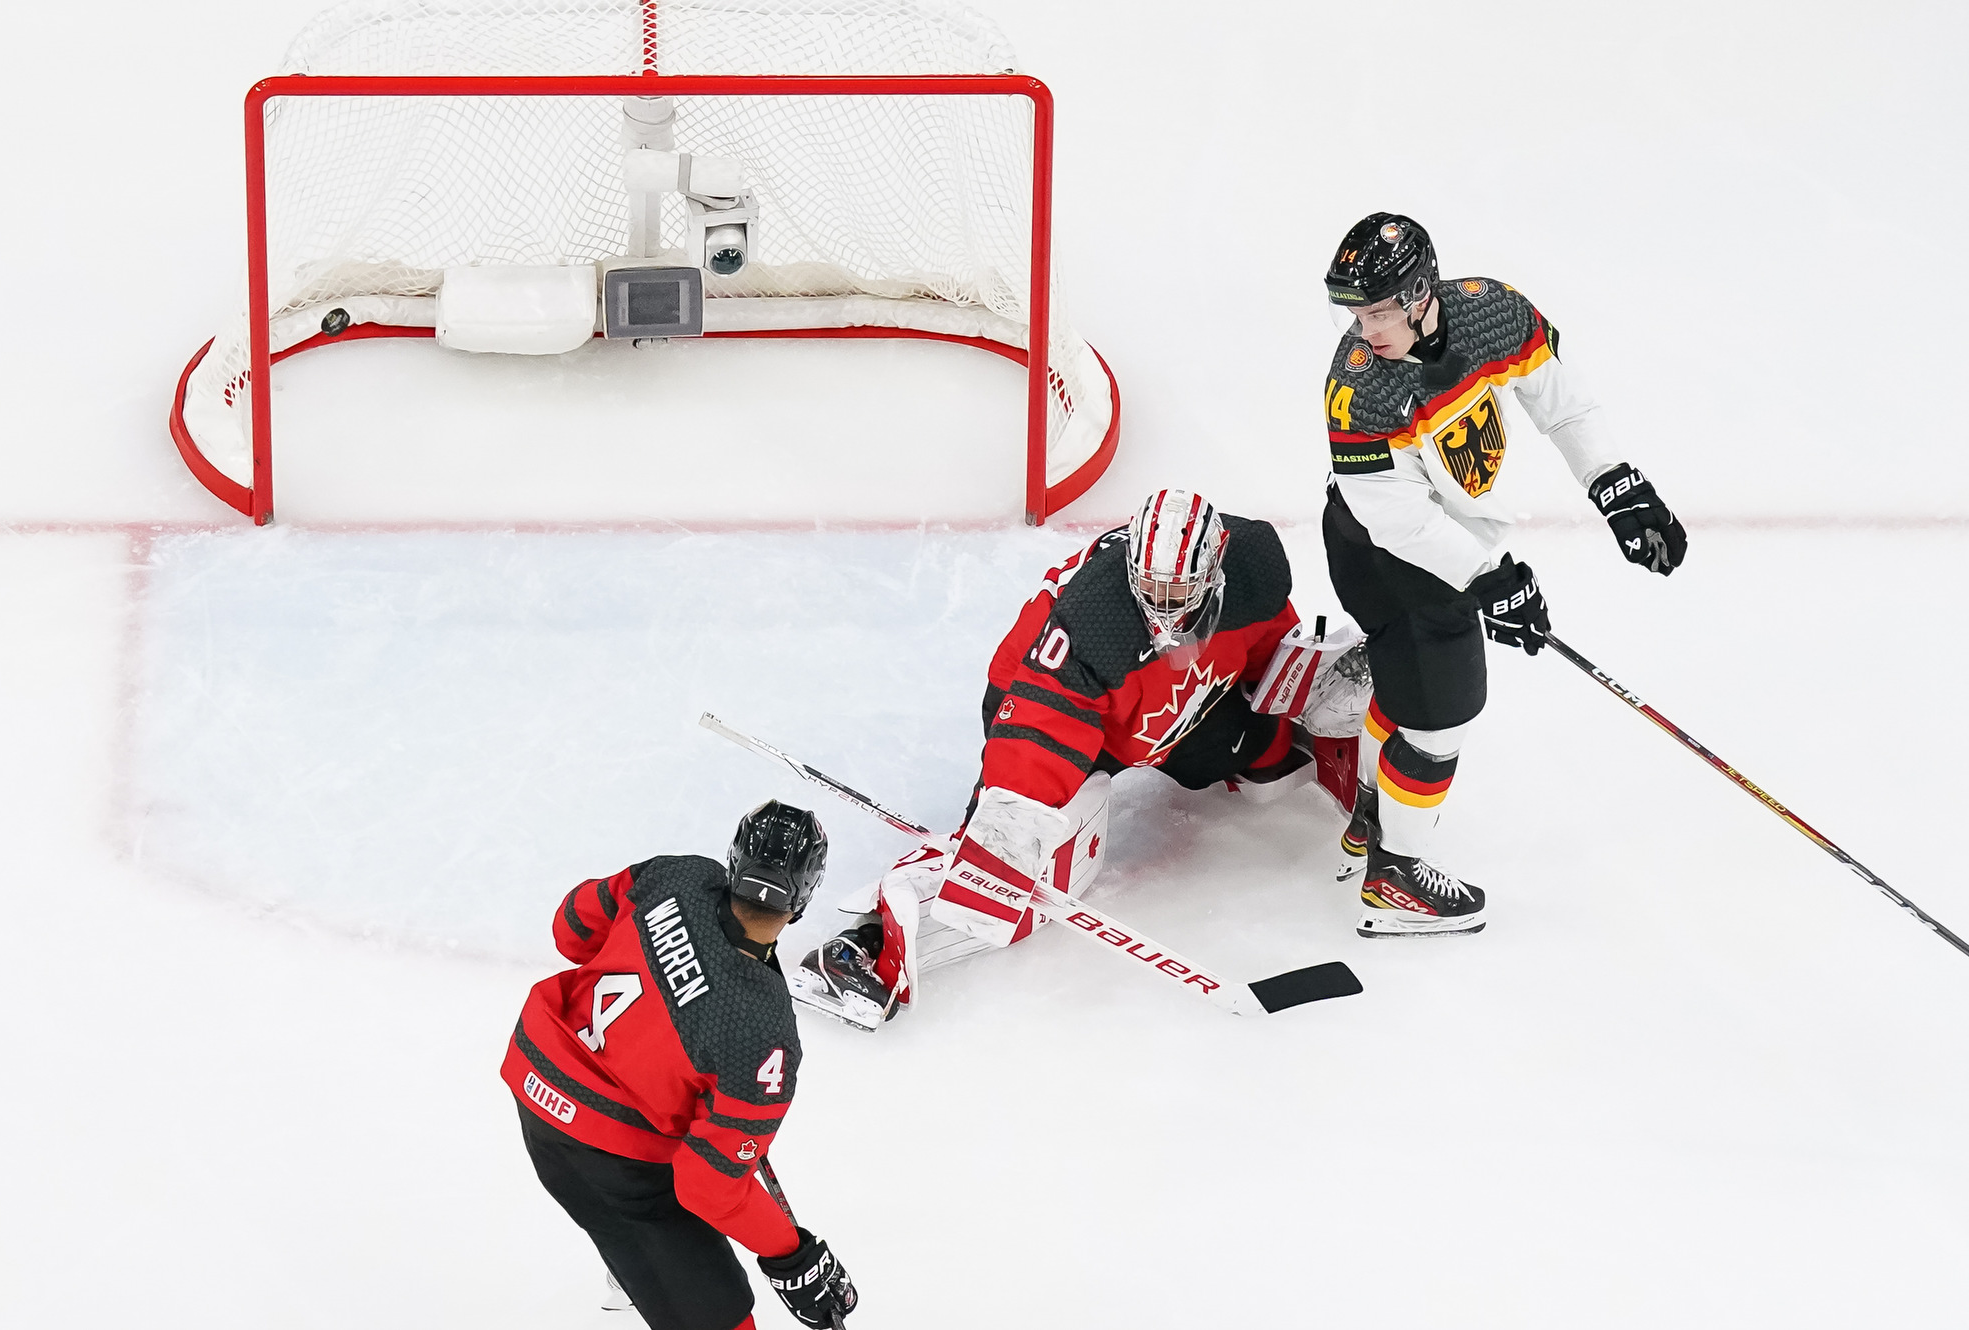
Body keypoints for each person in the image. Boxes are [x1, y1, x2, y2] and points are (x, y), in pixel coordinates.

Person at [789, 488, 1372, 1030]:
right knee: (1020, 857)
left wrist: (1295, 696)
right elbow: (1038, 732)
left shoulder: (1249, 568)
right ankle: (866, 943)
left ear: (1215, 569)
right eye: (1150, 591)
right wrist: (1009, 829)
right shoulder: (1092, 624)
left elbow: (1264, 640)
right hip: (1047, 707)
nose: (1163, 610)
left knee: (1243, 749)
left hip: (1161, 708)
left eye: (1177, 594)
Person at [1319, 212, 1688, 937]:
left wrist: (1617, 486)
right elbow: (1399, 524)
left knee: (1405, 682)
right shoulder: (1359, 388)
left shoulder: (1492, 312)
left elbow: (1563, 404)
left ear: (1422, 294)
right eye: (1356, 314)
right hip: (1386, 554)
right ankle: (1396, 876)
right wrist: (1488, 578)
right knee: (1441, 715)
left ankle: (1373, 809)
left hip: (1443, 543)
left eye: (1380, 311)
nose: (1366, 329)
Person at [501, 800, 859, 1329]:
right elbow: (708, 1188)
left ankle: (633, 1259)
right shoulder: (764, 1038)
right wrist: (791, 1256)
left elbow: (570, 931)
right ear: (805, 896)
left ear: (735, 860)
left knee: (656, 1188)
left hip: (535, 1077)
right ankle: (637, 1251)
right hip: (610, 1161)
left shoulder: (676, 875)